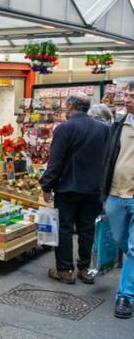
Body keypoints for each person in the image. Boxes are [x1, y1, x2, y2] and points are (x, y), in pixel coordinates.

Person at [40, 94, 108, 285]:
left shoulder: (64, 128)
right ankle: (86, 269)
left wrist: (47, 186)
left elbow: (56, 161)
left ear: (70, 105)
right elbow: (108, 159)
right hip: (94, 188)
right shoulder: (104, 129)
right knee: (88, 229)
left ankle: (65, 270)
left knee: (65, 228)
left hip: (68, 188)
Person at [101, 81, 134, 318]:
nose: (128, 98)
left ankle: (125, 296)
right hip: (115, 193)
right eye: (127, 94)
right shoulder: (118, 124)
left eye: (133, 95)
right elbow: (108, 159)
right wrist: (102, 192)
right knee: (120, 239)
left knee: (133, 247)